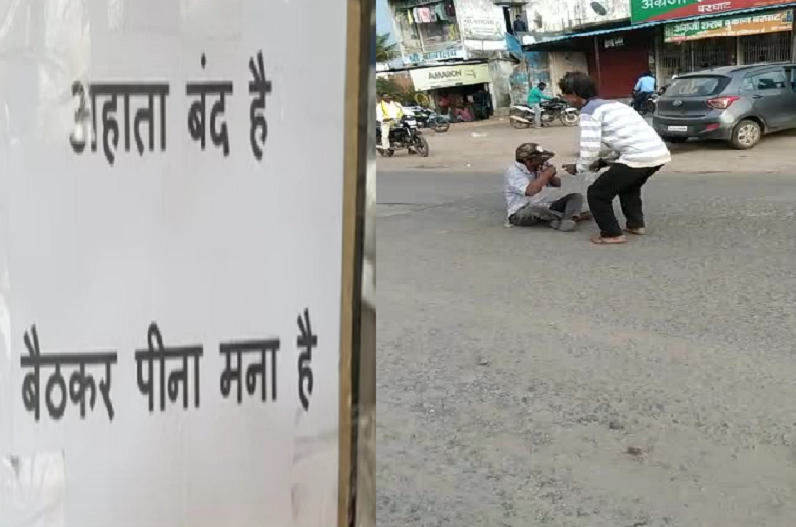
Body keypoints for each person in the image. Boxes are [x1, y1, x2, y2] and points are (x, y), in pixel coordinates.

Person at [558, 71, 671, 245]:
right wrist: (604, 162)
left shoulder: (589, 112)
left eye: (566, 95)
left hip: (638, 156)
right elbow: (625, 139)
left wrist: (579, 167)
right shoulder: (615, 105)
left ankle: (611, 234)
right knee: (629, 188)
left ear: (573, 95)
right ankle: (636, 225)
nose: (566, 99)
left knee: (597, 193)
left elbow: (589, 147)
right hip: (658, 153)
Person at [504, 142, 586, 232]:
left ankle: (564, 218)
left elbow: (557, 184)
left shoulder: (537, 167)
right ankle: (571, 217)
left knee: (575, 197)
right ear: (527, 161)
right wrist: (546, 174)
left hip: (545, 206)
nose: (542, 161)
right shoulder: (513, 171)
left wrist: (551, 175)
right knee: (533, 210)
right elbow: (530, 191)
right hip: (520, 212)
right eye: (539, 159)